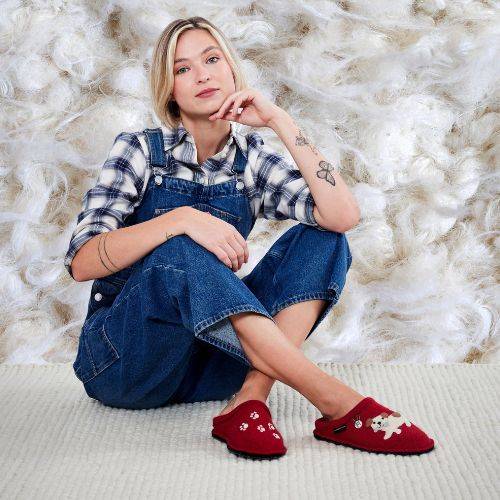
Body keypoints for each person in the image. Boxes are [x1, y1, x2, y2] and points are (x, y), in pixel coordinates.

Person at [65, 17, 435, 459]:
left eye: (212, 59)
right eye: (183, 69)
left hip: (212, 361)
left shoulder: (252, 163)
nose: (202, 74)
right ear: (170, 89)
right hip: (127, 363)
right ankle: (338, 403)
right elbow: (81, 262)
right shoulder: (140, 150)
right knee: (178, 248)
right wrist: (178, 220)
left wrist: (280, 121)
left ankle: (249, 400)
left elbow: (342, 216)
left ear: (232, 72)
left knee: (324, 240)